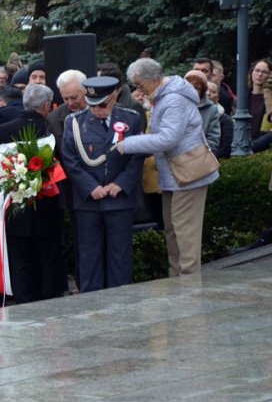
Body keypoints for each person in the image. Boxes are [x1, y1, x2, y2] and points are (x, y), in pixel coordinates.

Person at [119, 58, 219, 276]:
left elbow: (168, 139)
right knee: (173, 231)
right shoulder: (164, 95)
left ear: (154, 80)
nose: (139, 90)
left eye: (140, 84)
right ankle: (177, 281)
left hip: (188, 175)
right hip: (176, 175)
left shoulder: (173, 99)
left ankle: (188, 285)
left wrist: (128, 144)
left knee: (185, 233)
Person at [62, 77, 144, 292]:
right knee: (90, 257)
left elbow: (138, 155)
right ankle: (92, 302)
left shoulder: (131, 118)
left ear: (114, 97)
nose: (96, 110)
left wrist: (121, 183)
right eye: (92, 105)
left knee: (120, 256)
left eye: (101, 105)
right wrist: (90, 187)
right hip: (88, 201)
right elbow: (70, 159)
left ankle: (121, 300)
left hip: (120, 199)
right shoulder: (74, 121)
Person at [0, 83, 66, 304]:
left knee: (20, 258)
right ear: (47, 106)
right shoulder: (51, 129)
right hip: (46, 203)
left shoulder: (3, 130)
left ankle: (24, 301)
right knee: (48, 256)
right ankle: (49, 301)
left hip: (15, 204)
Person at [184, 70, 221, 153]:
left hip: (200, 155)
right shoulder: (175, 105)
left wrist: (200, 153)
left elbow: (213, 139)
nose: (192, 90)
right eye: (189, 86)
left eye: (196, 88)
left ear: (202, 91)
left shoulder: (211, 109)